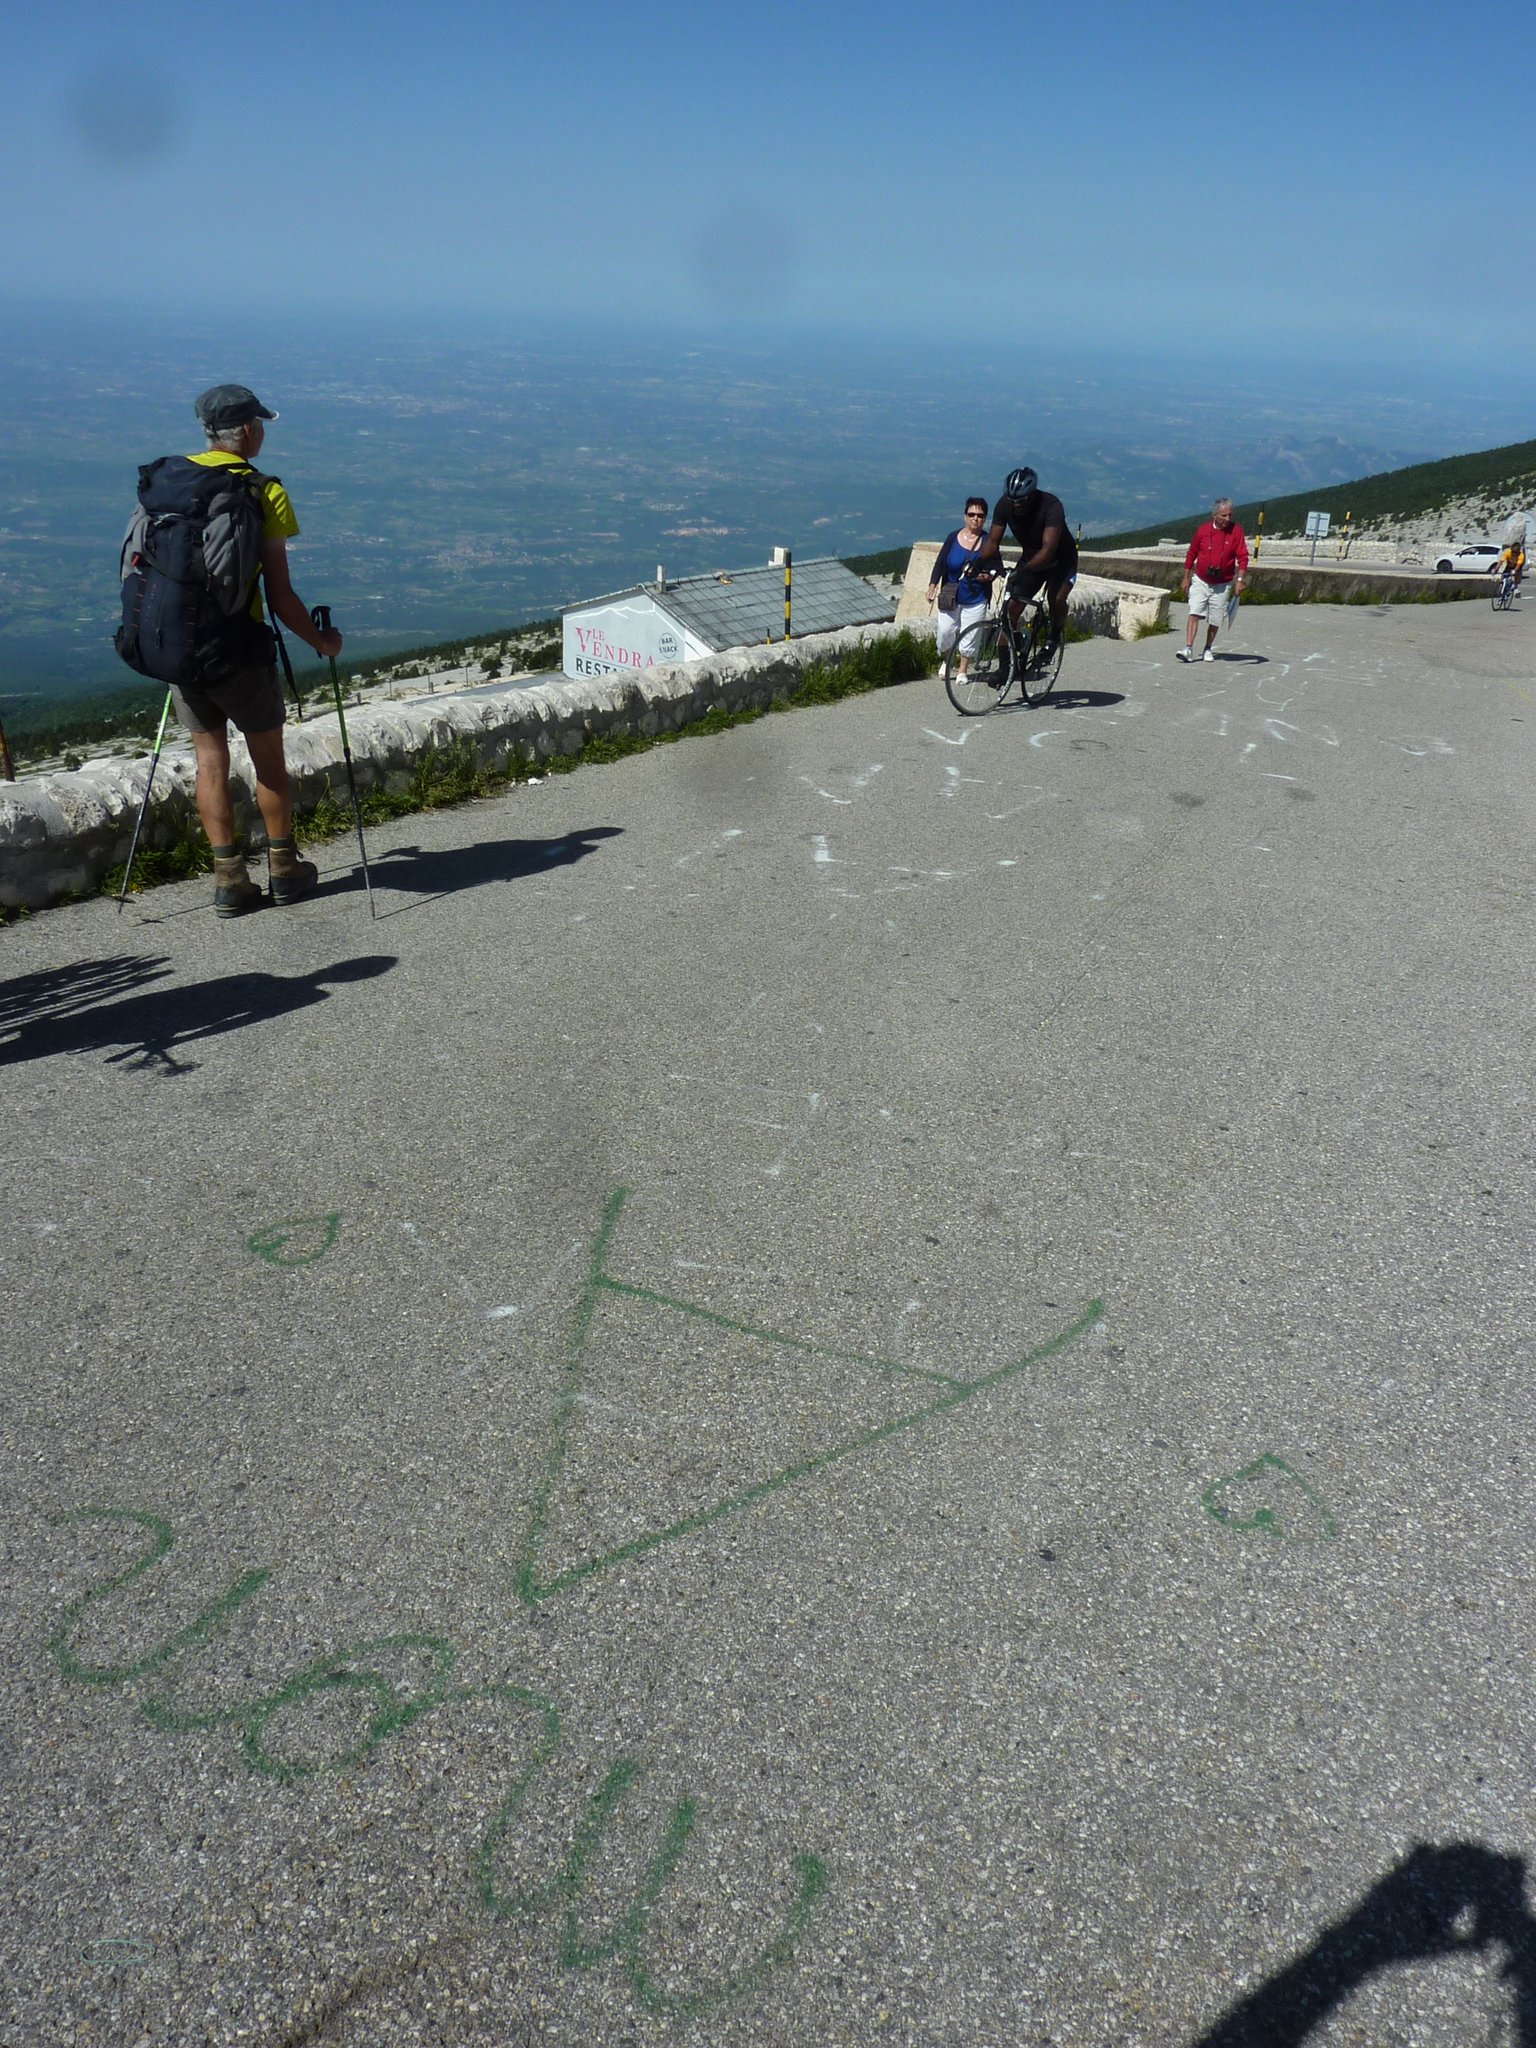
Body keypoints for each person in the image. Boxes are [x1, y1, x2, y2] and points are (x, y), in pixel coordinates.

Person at [177, 384, 343, 917]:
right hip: (239, 648)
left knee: (209, 762)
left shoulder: (170, 482)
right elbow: (281, 596)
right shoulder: (262, 490)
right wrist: (322, 642)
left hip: (179, 647)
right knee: (268, 761)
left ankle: (229, 879)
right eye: (261, 426)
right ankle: (283, 869)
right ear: (248, 430)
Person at [969, 467, 1078, 660]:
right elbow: (992, 541)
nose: (1016, 504)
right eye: (1012, 500)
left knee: (1056, 598)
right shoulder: (1004, 504)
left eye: (1020, 500)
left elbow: (1048, 549)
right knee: (1010, 610)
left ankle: (1054, 636)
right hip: (1031, 558)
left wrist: (1023, 571)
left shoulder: (1051, 506)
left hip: (1061, 560)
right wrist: (978, 563)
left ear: (1032, 494)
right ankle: (1006, 667)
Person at [925, 497, 996, 683]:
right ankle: (948, 660)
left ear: (985, 518)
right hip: (951, 595)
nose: (975, 518)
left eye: (980, 515)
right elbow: (941, 562)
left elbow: (997, 568)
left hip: (976, 597)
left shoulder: (989, 542)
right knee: (945, 632)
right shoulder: (952, 538)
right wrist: (932, 585)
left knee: (970, 635)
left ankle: (963, 670)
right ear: (965, 516)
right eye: (971, 514)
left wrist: (988, 576)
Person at [1179, 498, 1248, 662]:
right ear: (1214, 515)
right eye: (1224, 515)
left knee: (1216, 619)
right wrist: (1185, 578)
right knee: (1194, 612)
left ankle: (1208, 648)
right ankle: (1188, 648)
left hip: (1222, 584)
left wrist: (1240, 580)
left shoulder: (1236, 531)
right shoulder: (1203, 530)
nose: (1227, 519)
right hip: (1201, 580)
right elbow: (1191, 554)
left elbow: (1243, 557)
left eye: (1230, 515)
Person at [1498, 510, 1527, 591]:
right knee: (1513, 572)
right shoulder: (1523, 524)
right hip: (1514, 548)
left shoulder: (1510, 524)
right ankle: (1512, 585)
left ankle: (1508, 585)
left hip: (1509, 547)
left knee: (1511, 571)